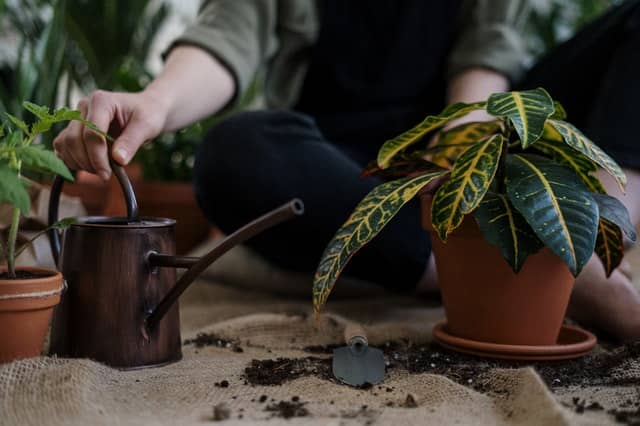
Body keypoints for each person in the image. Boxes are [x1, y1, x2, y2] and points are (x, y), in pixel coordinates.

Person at [53, 0, 640, 342]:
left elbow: (486, 59)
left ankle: (607, 244)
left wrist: (461, 154)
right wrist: (155, 104)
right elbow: (225, 38)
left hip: (460, 138)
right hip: (338, 168)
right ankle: (485, 263)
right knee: (235, 153)